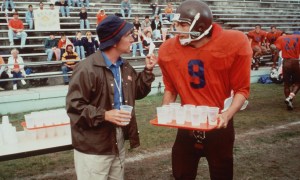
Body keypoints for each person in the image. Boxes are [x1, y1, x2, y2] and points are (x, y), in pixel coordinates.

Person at [157, 1, 252, 179]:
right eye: (176, 23)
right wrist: (165, 110)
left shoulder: (233, 42)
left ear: (200, 27)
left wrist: (227, 114)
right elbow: (170, 88)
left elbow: (242, 89)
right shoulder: (168, 49)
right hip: (188, 125)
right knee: (181, 174)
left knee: (221, 175)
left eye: (183, 24)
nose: (177, 29)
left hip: (218, 125)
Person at [66, 15, 157, 179]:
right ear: (114, 40)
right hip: (93, 145)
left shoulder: (125, 66)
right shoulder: (86, 69)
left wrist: (148, 71)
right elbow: (74, 107)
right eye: (128, 35)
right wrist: (105, 114)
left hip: (118, 138)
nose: (132, 38)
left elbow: (137, 92)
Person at [271, 34, 300, 110]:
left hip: (286, 62)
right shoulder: (298, 37)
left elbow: (276, 52)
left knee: (286, 84)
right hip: (295, 62)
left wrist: (274, 64)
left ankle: (289, 101)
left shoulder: (281, 38)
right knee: (298, 82)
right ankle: (290, 98)